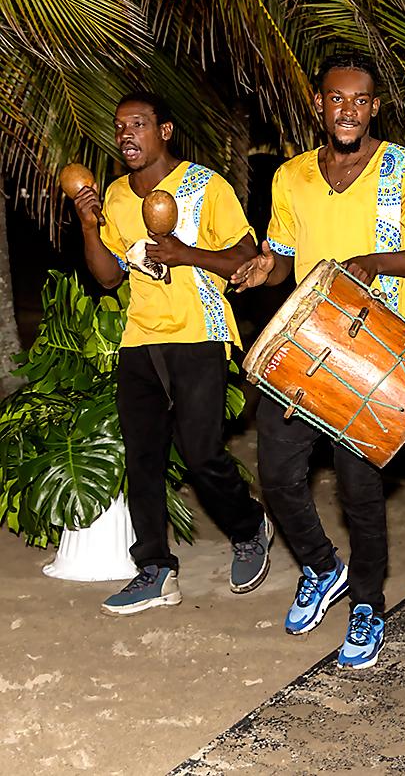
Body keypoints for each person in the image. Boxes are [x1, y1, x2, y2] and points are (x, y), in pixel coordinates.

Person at [231, 53, 405, 670]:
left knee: (360, 491)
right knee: (276, 474)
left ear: (374, 107)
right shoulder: (292, 177)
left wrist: (378, 262)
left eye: (359, 100)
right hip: (305, 346)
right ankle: (324, 569)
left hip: (374, 353)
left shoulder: (404, 170)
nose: (347, 110)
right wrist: (262, 269)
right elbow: (281, 255)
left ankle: (367, 605)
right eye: (336, 99)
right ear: (320, 104)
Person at [72, 91, 268, 615]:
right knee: (143, 459)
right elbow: (110, 275)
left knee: (202, 453)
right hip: (140, 339)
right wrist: (90, 226)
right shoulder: (114, 196)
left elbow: (245, 259)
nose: (126, 135)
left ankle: (249, 527)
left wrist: (184, 254)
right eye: (119, 127)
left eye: (137, 124)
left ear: (165, 131)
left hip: (199, 334)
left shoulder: (206, 186)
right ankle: (155, 569)